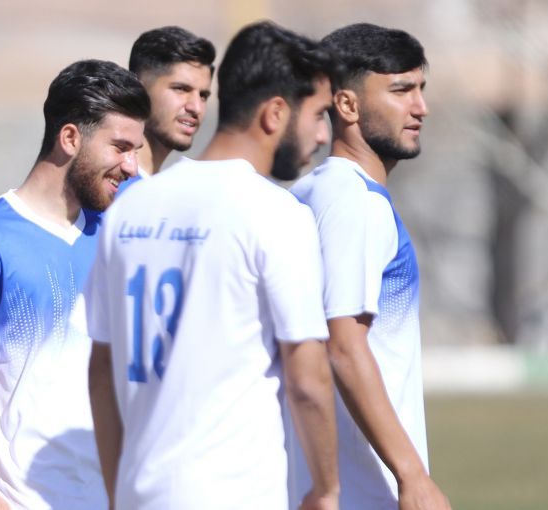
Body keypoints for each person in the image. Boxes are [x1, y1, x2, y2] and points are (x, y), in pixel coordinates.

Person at [85, 21, 339, 510]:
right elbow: (308, 379)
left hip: (140, 494)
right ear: (275, 113)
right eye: (318, 115)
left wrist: (119, 494)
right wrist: (327, 490)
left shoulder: (130, 208)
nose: (324, 135)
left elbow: (100, 370)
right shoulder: (276, 212)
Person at [0, 59, 150, 510]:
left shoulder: (121, 232)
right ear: (70, 138)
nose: (132, 166)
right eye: (120, 147)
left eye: (137, 150)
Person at [287, 23, 451, 510]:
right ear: (347, 105)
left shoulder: (308, 192)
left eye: (420, 89)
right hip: (365, 490)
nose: (420, 107)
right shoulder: (357, 204)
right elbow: (343, 344)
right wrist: (412, 476)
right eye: (401, 91)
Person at [128, 25, 215, 176]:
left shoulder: (158, 185)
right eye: (181, 89)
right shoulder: (108, 186)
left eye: (203, 95)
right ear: (139, 89)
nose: (196, 108)